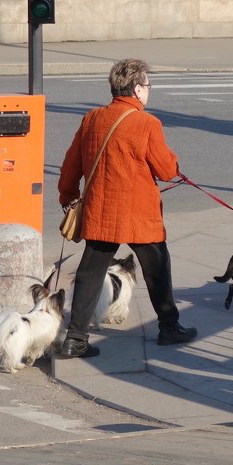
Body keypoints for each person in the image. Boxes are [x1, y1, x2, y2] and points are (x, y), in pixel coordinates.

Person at [55, 58, 197, 359]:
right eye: (147, 85)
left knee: (89, 273)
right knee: (157, 268)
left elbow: (71, 165)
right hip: (138, 214)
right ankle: (169, 328)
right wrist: (174, 163)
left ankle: (75, 338)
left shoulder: (92, 118)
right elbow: (165, 168)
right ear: (136, 89)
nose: (148, 90)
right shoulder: (147, 123)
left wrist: (68, 196)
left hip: (101, 211)